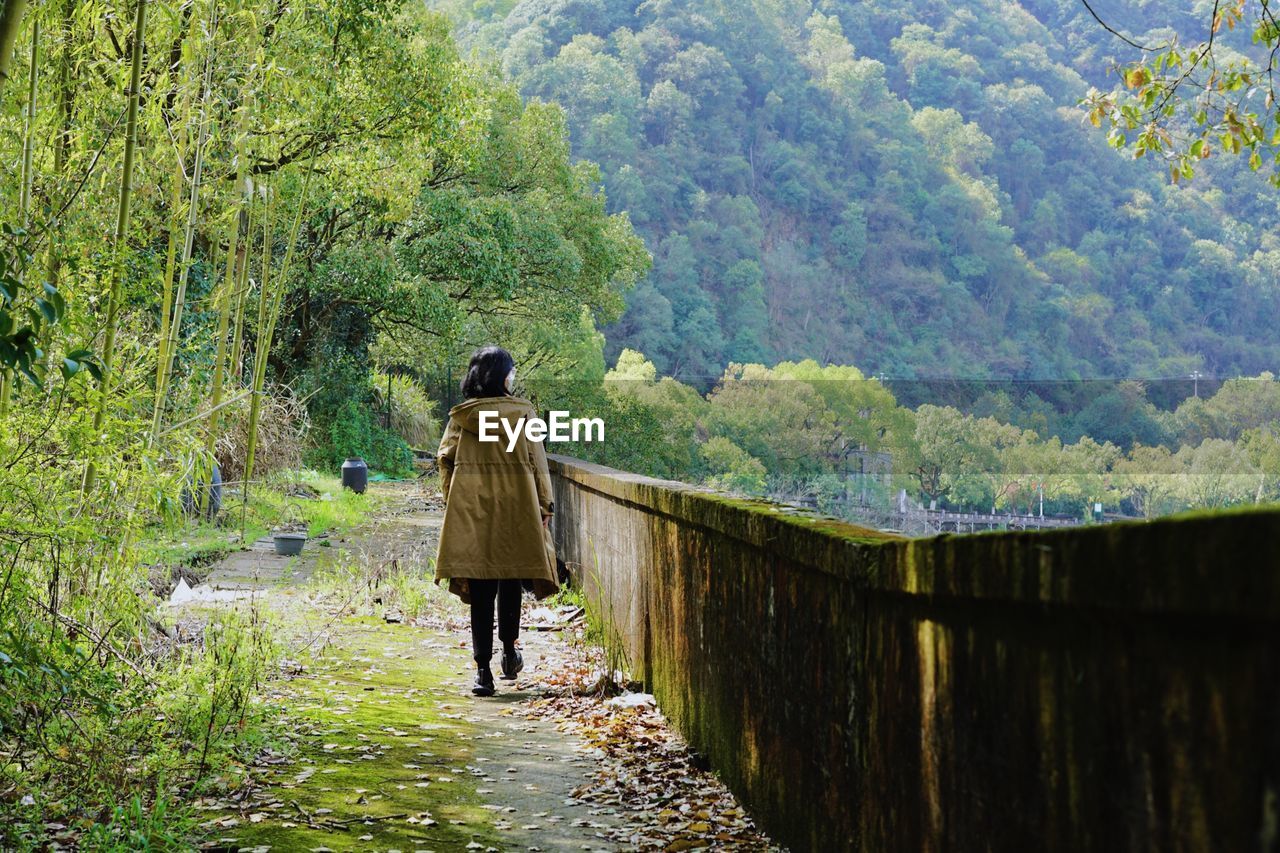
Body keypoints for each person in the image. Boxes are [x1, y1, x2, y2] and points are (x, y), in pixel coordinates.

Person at [434, 346, 560, 696]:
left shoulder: (462, 418)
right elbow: (537, 462)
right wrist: (545, 505)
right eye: (512, 373)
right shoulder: (522, 415)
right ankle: (508, 653)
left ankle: (482, 673)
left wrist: (452, 502)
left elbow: (445, 459)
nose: (514, 378)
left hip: (473, 512)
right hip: (517, 512)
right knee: (509, 581)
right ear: (503, 377)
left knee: (481, 589)